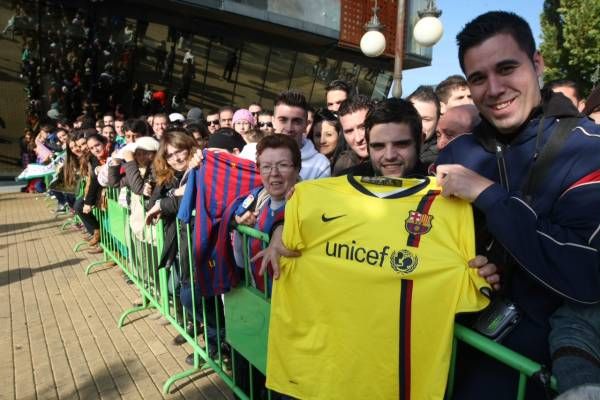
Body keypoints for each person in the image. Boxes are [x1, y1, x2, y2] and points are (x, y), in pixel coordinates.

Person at [435, 11, 600, 398]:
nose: (493, 88)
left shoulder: (589, 149)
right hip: (447, 354)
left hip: (533, 369)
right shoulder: (458, 151)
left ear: (537, 63)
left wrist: (489, 196)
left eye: (506, 68)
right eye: (478, 78)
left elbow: (585, 273)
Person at [272, 90, 330, 180]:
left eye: (296, 121)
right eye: (283, 120)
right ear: (273, 121)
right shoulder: (252, 153)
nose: (289, 128)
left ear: (306, 125)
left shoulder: (321, 165)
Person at [332, 95, 374, 175]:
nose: (358, 139)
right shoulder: (343, 164)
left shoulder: (393, 160)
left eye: (363, 127)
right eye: (349, 131)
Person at [407, 85, 441, 166]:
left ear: (438, 121)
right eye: (413, 116)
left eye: (426, 119)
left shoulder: (440, 157)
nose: (419, 124)